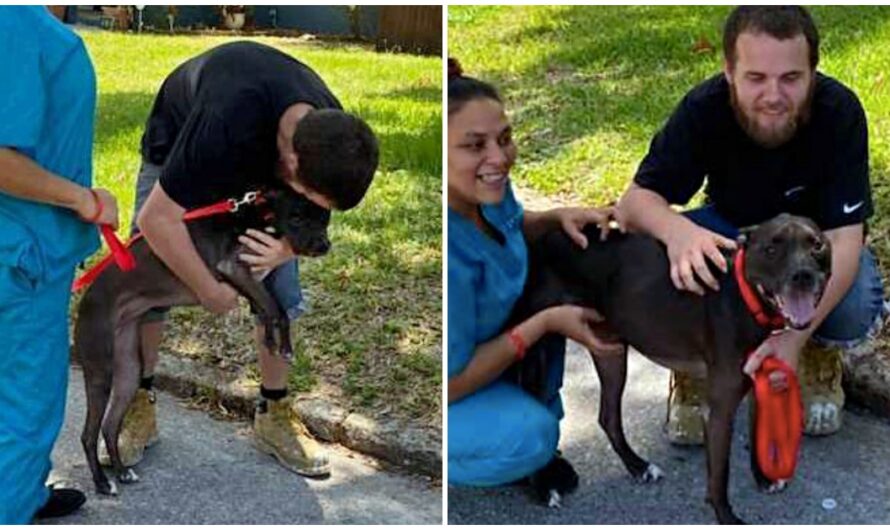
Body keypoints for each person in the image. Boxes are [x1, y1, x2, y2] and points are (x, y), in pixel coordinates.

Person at [105, 41, 379, 478]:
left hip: (263, 157)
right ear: (290, 163)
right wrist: (209, 290)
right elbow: (157, 221)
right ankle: (139, 402)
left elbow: (314, 215)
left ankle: (274, 413)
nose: (312, 205)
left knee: (281, 289)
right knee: (147, 281)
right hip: (179, 142)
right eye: (307, 196)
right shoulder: (224, 124)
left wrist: (286, 248)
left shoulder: (332, 133)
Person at [617, 5, 888, 443]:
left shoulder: (839, 111)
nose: (774, 95)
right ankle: (697, 368)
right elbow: (633, 204)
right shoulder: (703, 108)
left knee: (856, 300)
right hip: (736, 235)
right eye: (756, 78)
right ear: (729, 71)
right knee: (664, 255)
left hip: (809, 248)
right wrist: (678, 232)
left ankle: (816, 355)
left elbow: (844, 235)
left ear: (813, 72)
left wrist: (795, 340)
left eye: (791, 78)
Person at [447, 58, 622, 488]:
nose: (499, 158)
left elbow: (511, 224)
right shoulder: (448, 253)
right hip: (451, 386)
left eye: (504, 139)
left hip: (493, 341)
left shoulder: (485, 193)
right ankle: (457, 460)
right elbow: (448, 385)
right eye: (474, 146)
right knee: (531, 439)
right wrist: (543, 324)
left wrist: (555, 217)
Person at [0, 6, 120, 522]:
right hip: (22, 255)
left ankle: (24, 489)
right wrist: (84, 200)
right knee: (27, 402)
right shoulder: (21, 27)